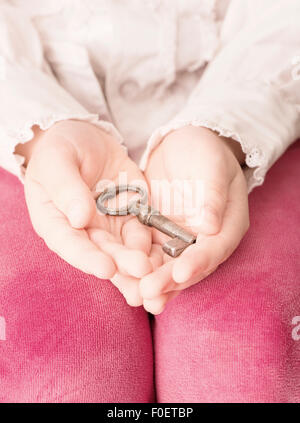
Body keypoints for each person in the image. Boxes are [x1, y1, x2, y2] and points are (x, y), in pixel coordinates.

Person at [0, 0, 299, 402]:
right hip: (24, 128)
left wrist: (225, 128)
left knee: (247, 356)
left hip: (245, 115)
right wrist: (40, 130)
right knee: (52, 361)